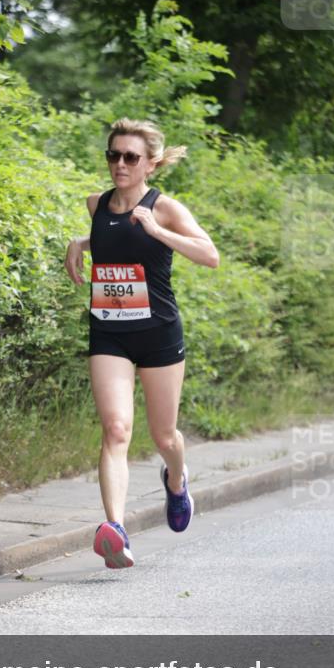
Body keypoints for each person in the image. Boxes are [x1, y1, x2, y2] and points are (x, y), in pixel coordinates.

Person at [64, 118, 219, 569]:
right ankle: (115, 529)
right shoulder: (97, 205)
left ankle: (176, 479)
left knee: (163, 434)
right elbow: (111, 238)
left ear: (150, 164)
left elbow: (210, 255)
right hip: (110, 331)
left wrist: (157, 231)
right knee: (116, 430)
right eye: (113, 155)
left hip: (158, 334)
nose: (119, 164)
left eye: (130, 157)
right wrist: (81, 241)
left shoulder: (165, 207)